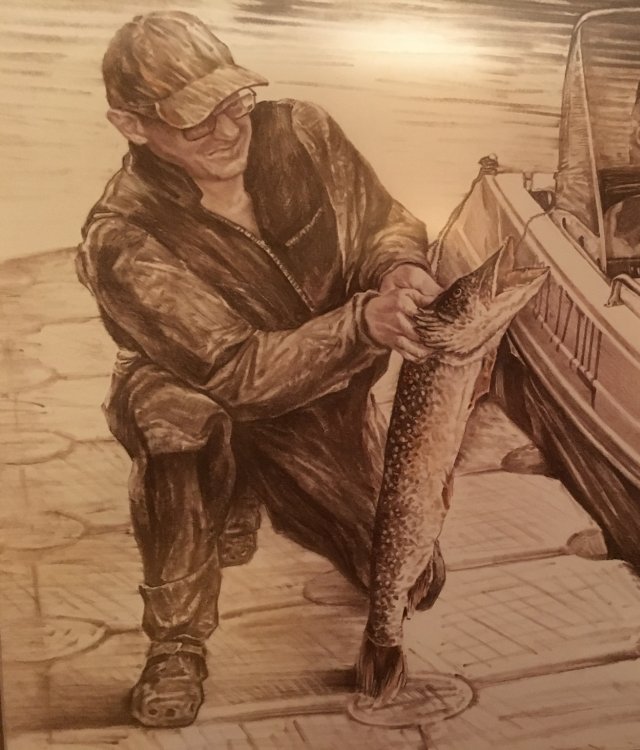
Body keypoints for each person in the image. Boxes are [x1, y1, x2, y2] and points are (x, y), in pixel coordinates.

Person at [76, 11, 443, 728]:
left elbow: (385, 222)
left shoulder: (304, 131)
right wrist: (361, 323)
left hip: (320, 397)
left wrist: (398, 267)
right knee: (175, 420)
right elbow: (237, 370)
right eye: (194, 120)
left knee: (413, 579)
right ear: (131, 125)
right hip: (211, 390)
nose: (227, 130)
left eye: (234, 102)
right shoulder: (122, 236)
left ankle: (247, 485)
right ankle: (177, 642)